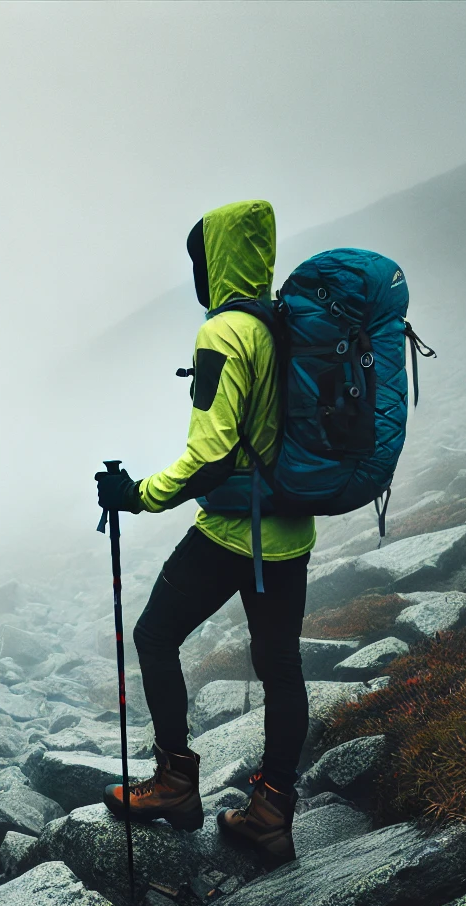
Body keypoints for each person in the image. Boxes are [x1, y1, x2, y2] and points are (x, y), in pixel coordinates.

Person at [95, 200, 313, 861]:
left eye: (200, 259)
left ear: (215, 263)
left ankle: (174, 784)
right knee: (280, 666)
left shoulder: (223, 333)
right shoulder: (282, 323)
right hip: (290, 526)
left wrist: (138, 496)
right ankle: (272, 809)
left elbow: (211, 452)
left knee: (154, 634)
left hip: (232, 531)